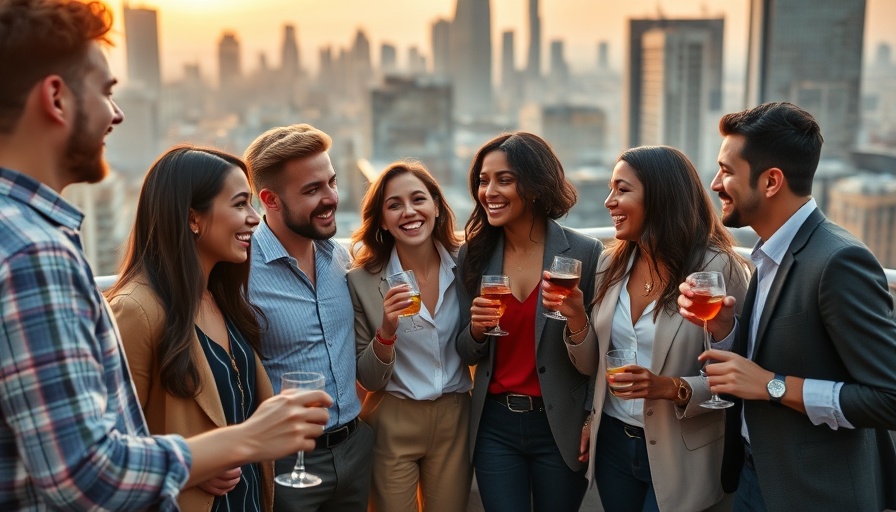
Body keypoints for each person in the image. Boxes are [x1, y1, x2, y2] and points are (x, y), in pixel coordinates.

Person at [0, 2, 329, 511]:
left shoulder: (25, 233)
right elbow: (86, 475)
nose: (116, 113)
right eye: (106, 91)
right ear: (56, 97)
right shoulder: (35, 252)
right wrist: (244, 440)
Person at [677, 102, 896, 512]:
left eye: (726, 171)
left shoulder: (839, 262)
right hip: (753, 476)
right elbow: (782, 353)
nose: (715, 183)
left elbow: (889, 398)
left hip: (815, 494)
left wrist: (771, 385)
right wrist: (726, 329)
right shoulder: (769, 252)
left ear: (771, 181)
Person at [554, 146, 749, 512]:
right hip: (613, 444)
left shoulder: (718, 269)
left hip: (682, 453)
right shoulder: (609, 265)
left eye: (622, 190)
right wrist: (577, 316)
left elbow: (740, 375)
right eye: (611, 189)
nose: (609, 201)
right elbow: (591, 366)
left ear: (661, 197)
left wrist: (670, 388)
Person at [106, 146, 276, 512]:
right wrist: (188, 467)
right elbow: (109, 447)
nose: (254, 218)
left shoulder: (220, 297)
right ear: (193, 219)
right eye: (240, 204)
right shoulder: (135, 310)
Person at [456, 132, 602, 512]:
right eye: (483, 181)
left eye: (504, 180)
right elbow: (465, 352)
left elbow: (596, 360)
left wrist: (592, 416)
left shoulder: (585, 253)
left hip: (561, 426)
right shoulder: (472, 255)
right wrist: (476, 330)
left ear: (535, 187)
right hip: (495, 427)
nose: (489, 192)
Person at [243, 123, 375, 512]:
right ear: (270, 199)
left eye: (331, 182)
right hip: (287, 462)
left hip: (355, 449)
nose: (331, 197)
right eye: (312, 189)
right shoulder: (240, 272)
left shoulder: (339, 257)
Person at [347, 160, 472, 512]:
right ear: (382, 220)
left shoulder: (467, 264)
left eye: (418, 199)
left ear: (436, 206)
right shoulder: (361, 281)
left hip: (455, 418)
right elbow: (369, 378)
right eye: (394, 205)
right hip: (393, 418)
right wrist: (387, 331)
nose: (409, 212)